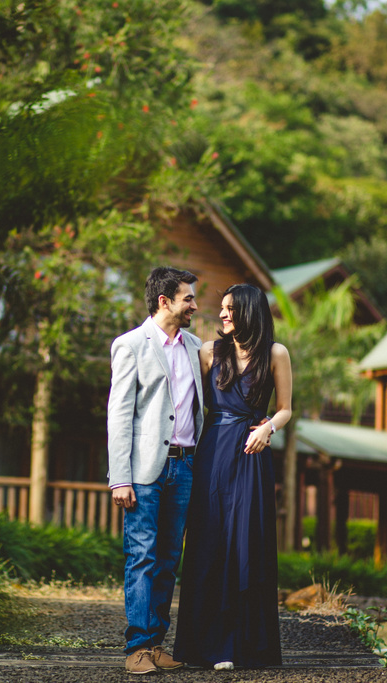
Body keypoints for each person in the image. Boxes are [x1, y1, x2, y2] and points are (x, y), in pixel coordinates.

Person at [173, 283, 293, 670]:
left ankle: (243, 648)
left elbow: (286, 408)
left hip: (251, 454)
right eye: (222, 308)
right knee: (209, 545)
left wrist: (268, 428)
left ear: (249, 311)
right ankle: (203, 647)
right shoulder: (208, 351)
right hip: (212, 453)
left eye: (230, 309)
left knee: (246, 546)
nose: (222, 314)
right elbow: (187, 403)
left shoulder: (276, 353)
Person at [107, 266, 204, 675]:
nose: (195, 306)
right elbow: (120, 414)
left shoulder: (197, 347)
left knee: (168, 559)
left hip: (186, 466)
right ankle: (138, 648)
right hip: (145, 470)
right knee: (141, 556)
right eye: (188, 299)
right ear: (164, 300)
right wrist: (120, 478)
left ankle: (157, 644)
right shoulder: (131, 345)